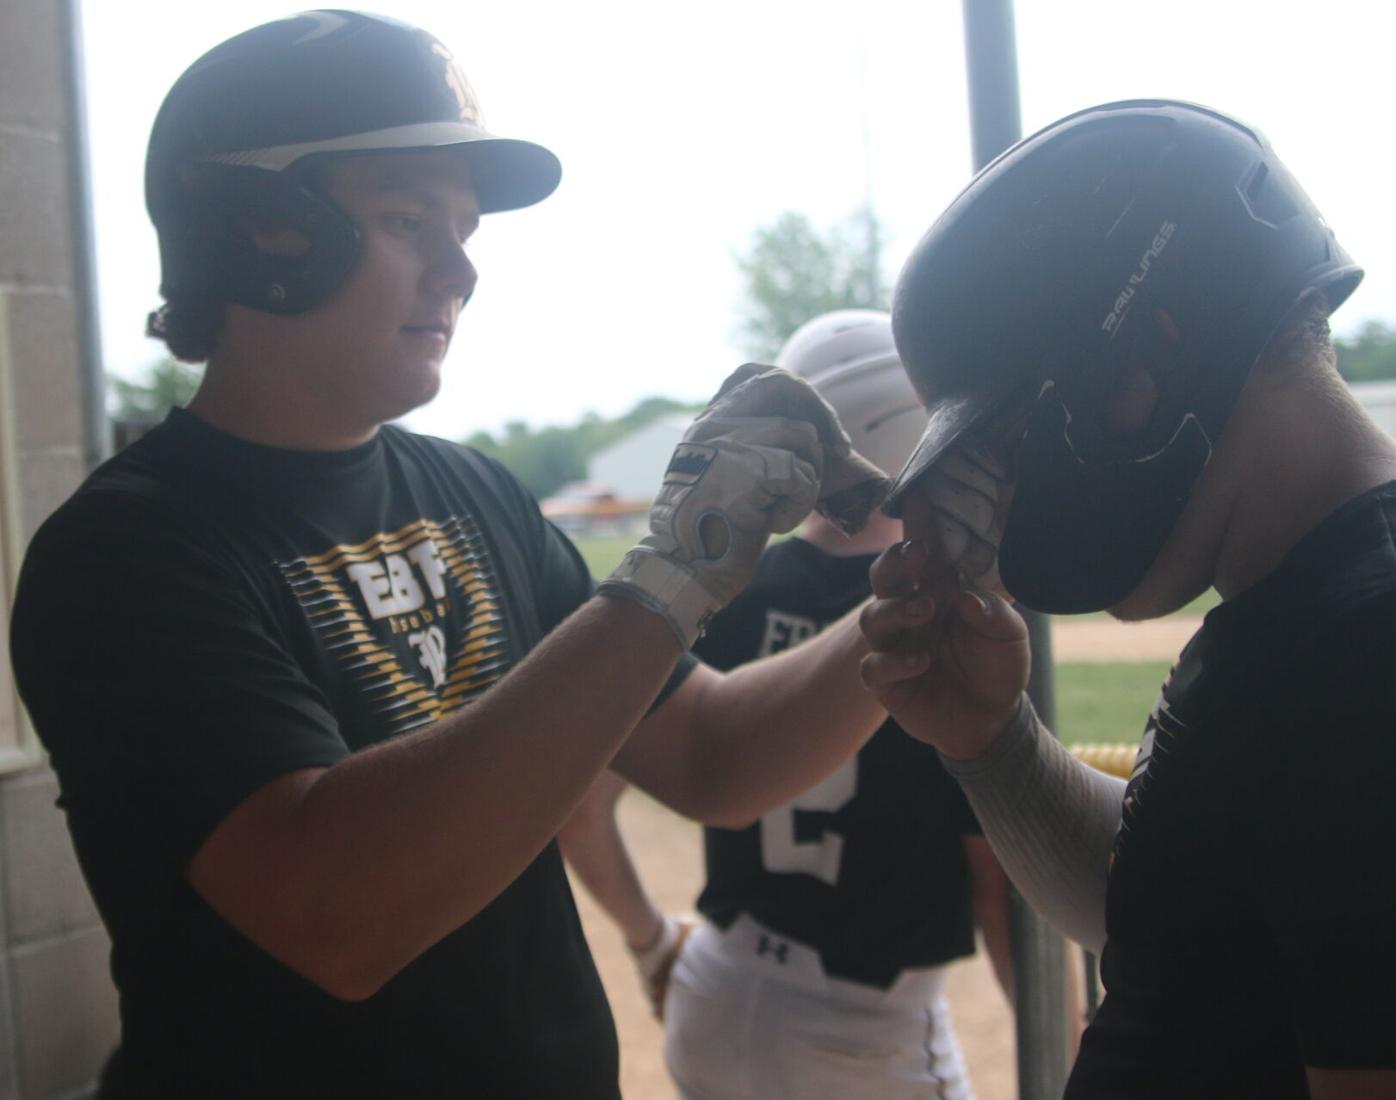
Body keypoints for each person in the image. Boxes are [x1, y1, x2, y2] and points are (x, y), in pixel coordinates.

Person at [6, 13, 893, 1098]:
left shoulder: (473, 490)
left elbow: (711, 756)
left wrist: (919, 587)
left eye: (464, 225)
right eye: (406, 216)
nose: (460, 266)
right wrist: (674, 572)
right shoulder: (127, 551)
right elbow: (337, 911)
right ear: (261, 232)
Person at [858, 99, 1396, 1099]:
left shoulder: (1370, 657)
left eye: (1013, 446)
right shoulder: (1296, 613)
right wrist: (992, 741)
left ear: (1150, 346)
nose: (1009, 502)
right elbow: (1179, 909)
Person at [560, 310, 1014, 1100]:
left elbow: (583, 808)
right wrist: (1069, 1037)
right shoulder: (944, 615)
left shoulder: (731, 592)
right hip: (867, 1036)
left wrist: (649, 941)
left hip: (718, 989)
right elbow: (998, 886)